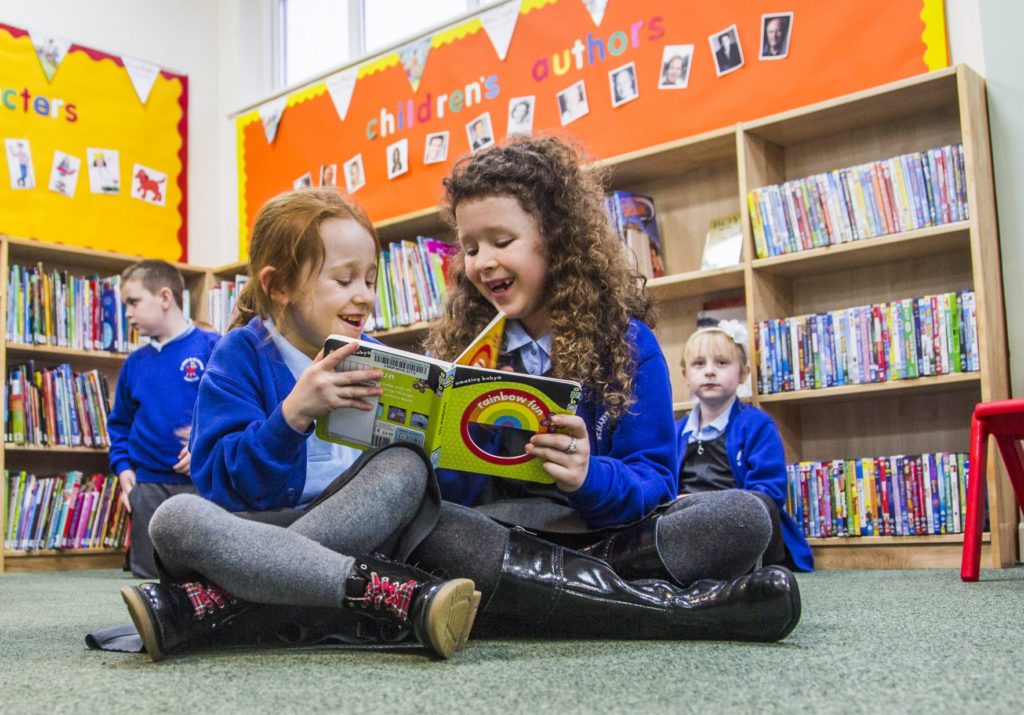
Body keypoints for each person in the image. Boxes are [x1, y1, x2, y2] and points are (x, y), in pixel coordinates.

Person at [412, 136, 802, 641]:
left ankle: (556, 601)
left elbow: (654, 482)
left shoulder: (627, 344)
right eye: (469, 248)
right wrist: (447, 434)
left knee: (743, 516)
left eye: (502, 242)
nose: (482, 262)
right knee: (433, 532)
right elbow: (455, 500)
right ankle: (674, 610)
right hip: (504, 535)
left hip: (606, 538)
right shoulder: (464, 352)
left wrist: (586, 475)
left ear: (557, 237)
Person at [110, 189, 479, 661]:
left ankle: (219, 603)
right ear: (279, 285)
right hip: (260, 527)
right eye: (344, 280)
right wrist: (292, 416)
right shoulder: (240, 355)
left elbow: (408, 490)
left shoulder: (376, 359)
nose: (363, 296)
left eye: (369, 280)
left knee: (408, 470)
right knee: (175, 517)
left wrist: (449, 442)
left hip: (359, 526)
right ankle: (386, 593)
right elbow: (222, 485)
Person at [107, 260, 221, 579]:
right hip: (148, 485)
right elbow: (120, 424)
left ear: (165, 297)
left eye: (133, 302)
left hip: (200, 481)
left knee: (202, 572)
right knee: (149, 574)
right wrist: (123, 467)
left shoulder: (214, 347)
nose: (127, 313)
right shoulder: (134, 363)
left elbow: (231, 411)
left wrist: (202, 446)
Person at [674, 320, 813, 572]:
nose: (709, 371)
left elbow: (770, 492)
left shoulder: (757, 424)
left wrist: (715, 506)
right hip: (685, 521)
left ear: (743, 374)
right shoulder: (675, 432)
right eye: (699, 363)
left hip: (739, 523)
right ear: (685, 375)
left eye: (722, 363)